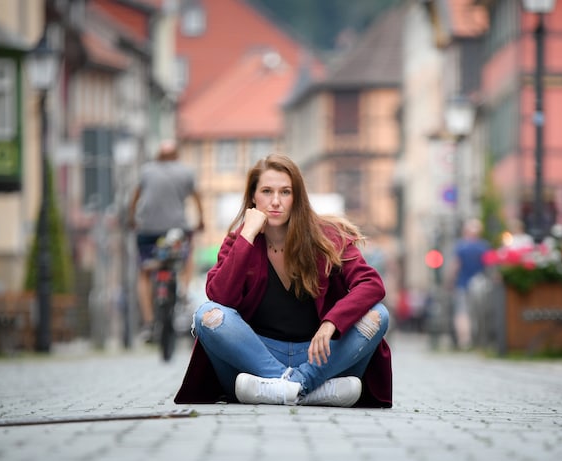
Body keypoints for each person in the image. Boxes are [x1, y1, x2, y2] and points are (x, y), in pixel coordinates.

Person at [174, 154, 392, 407]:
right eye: (267, 191)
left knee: (379, 314)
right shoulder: (239, 242)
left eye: (285, 192)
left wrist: (332, 322)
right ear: (253, 197)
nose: (276, 201)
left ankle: (284, 387)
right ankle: (307, 390)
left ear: (297, 198)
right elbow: (221, 297)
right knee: (206, 315)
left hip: (321, 355)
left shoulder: (328, 237)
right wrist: (247, 236)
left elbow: (371, 284)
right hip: (256, 356)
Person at [128, 140, 204, 341]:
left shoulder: (146, 171)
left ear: (158, 156)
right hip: (176, 230)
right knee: (187, 255)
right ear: (177, 155)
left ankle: (148, 322)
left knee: (144, 272)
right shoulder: (186, 172)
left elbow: (135, 197)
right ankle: (185, 292)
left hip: (148, 231)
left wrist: (132, 220)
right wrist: (201, 221)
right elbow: (197, 197)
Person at [447, 218, 490, 350]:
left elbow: (455, 266)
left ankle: (465, 341)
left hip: (463, 284)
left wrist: (449, 281)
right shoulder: (484, 246)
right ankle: (480, 340)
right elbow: (490, 266)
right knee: (479, 313)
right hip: (481, 285)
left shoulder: (461, 246)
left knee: (462, 313)